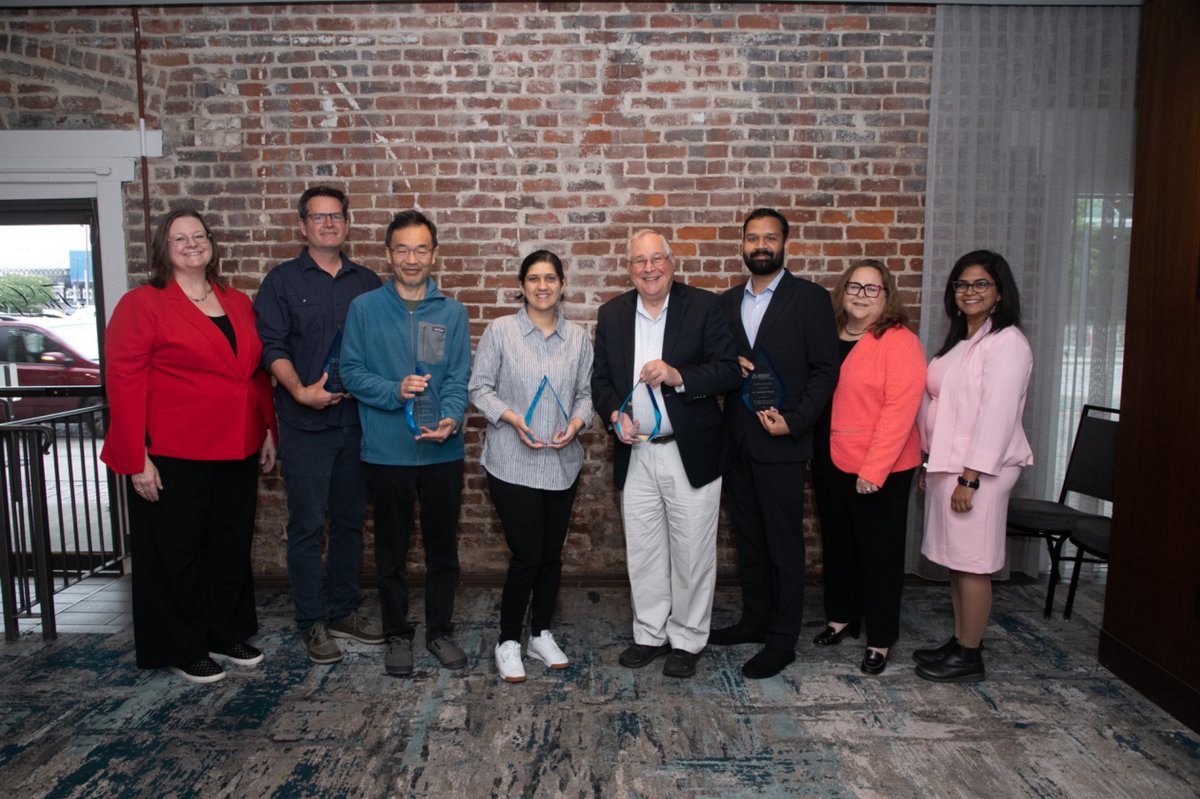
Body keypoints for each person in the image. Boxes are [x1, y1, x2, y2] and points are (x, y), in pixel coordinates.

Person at [102, 209, 277, 684]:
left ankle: (225, 632)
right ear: (163, 249)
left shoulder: (236, 302)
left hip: (236, 446)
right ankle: (182, 645)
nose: (192, 244)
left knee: (229, 546)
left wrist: (265, 429)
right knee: (175, 553)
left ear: (211, 244)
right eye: (180, 238)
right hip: (173, 451)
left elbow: (253, 372)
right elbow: (123, 381)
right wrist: (136, 455)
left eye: (198, 236)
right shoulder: (143, 303)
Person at [591, 229, 741, 679]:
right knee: (644, 550)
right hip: (636, 452)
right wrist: (614, 416)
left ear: (672, 263)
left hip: (689, 451)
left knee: (693, 552)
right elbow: (601, 381)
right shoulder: (613, 314)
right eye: (640, 261)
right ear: (629, 267)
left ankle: (689, 639)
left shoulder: (704, 306)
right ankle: (650, 633)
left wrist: (678, 375)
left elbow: (730, 371)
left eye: (657, 259)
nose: (649, 268)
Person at [254, 186, 384, 665]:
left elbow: (382, 347)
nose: (328, 224)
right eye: (318, 217)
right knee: (307, 525)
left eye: (336, 217)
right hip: (305, 425)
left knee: (350, 522)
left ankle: (343, 610)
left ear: (347, 224)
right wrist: (299, 392)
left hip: (357, 423)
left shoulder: (368, 282)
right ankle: (312, 621)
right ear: (303, 225)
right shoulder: (282, 282)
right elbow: (271, 347)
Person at [340, 209, 471, 677]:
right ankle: (397, 633)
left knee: (442, 552)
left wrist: (453, 419)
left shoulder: (453, 313)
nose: (411, 258)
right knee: (390, 553)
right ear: (389, 254)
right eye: (402, 249)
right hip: (387, 452)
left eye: (420, 249)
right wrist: (393, 391)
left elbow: (458, 378)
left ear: (434, 254)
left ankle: (439, 631)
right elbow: (351, 372)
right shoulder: (365, 309)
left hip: (442, 452)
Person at [711, 208, 840, 679]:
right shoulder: (724, 303)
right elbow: (717, 364)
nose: (760, 245)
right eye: (752, 238)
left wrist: (796, 422)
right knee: (748, 537)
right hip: (737, 441)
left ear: (785, 243)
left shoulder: (809, 298)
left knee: (784, 541)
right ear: (742, 245)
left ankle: (783, 639)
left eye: (769, 238)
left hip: (783, 442)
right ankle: (755, 620)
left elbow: (827, 369)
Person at [468, 250, 594, 683]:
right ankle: (507, 641)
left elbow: (585, 394)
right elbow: (479, 389)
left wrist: (576, 424)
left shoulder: (578, 338)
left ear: (562, 285)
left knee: (551, 556)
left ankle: (541, 633)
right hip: (511, 461)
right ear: (521, 286)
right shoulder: (501, 331)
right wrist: (512, 418)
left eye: (551, 279)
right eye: (534, 279)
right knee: (526, 554)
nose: (543, 286)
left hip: (561, 462)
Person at [914, 249, 1033, 683]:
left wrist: (971, 476)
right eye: (962, 284)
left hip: (980, 469)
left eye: (981, 283)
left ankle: (969, 656)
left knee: (975, 562)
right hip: (950, 463)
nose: (970, 291)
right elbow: (941, 408)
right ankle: (962, 639)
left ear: (999, 292)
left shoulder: (1008, 344)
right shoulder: (961, 341)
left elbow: (996, 416)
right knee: (957, 560)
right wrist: (930, 462)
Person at [810, 260, 925, 676]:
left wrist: (874, 470)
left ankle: (880, 638)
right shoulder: (829, 334)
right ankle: (841, 617)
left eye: (871, 288)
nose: (860, 294)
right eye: (854, 286)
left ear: (886, 295)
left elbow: (900, 411)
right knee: (839, 545)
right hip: (830, 457)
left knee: (879, 554)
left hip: (883, 467)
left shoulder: (899, 341)